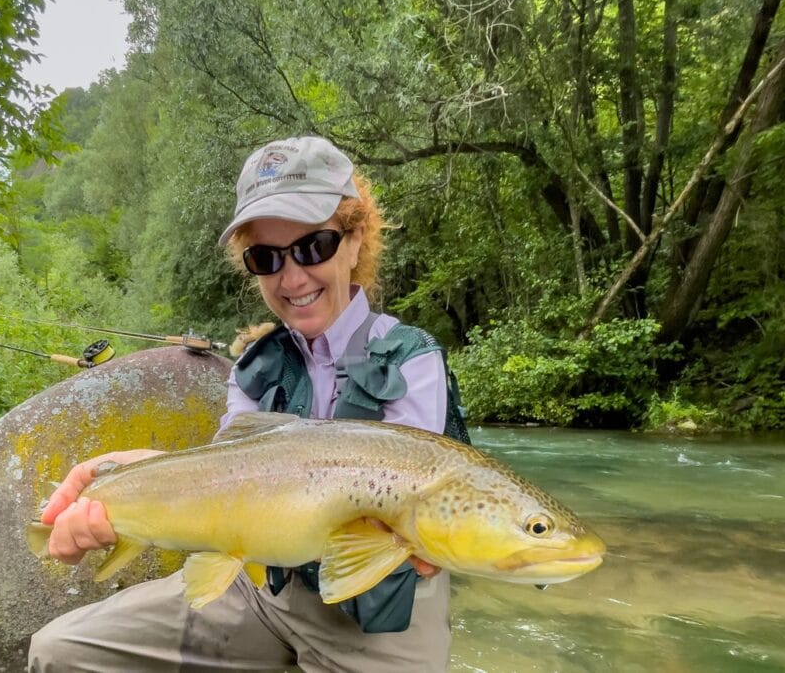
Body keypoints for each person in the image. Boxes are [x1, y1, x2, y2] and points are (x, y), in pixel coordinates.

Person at [28, 136, 465, 672]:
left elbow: (409, 522)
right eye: (266, 257)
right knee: (59, 653)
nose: (291, 276)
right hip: (264, 590)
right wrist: (131, 480)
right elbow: (229, 485)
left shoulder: (412, 359)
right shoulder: (254, 368)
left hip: (381, 612)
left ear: (355, 241)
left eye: (313, 247)